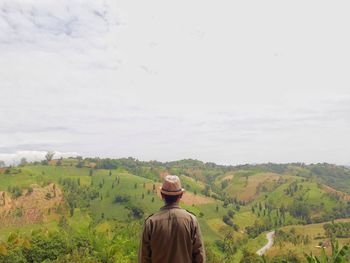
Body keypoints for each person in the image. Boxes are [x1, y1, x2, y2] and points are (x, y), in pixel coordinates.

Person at [139, 175, 205, 263]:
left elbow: (144, 258)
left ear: (162, 195)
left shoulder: (151, 223)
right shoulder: (191, 221)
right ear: (181, 195)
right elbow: (200, 257)